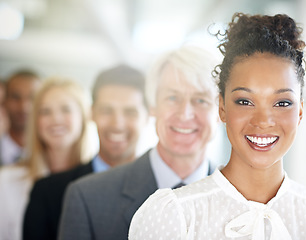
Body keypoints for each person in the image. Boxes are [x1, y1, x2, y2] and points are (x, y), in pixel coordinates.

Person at [129, 13, 306, 239]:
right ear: (222, 108)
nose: (263, 121)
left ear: (299, 112)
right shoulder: (175, 216)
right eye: (245, 101)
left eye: (282, 103)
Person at [58, 45, 219, 240]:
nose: (185, 114)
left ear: (221, 110)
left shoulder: (245, 201)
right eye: (172, 97)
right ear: (152, 106)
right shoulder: (88, 198)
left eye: (201, 100)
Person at [22, 64, 148, 240]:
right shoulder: (49, 192)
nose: (117, 123)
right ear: (91, 113)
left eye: (130, 112)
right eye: (106, 110)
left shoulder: (163, 192)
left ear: (148, 116)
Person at [0, 77, 91, 240]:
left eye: (66, 109)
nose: (56, 119)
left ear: (83, 117)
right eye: (45, 111)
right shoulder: (7, 181)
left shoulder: (97, 180)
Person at [0, 69, 41, 166]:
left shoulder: (53, 154)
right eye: (15, 97)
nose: (24, 107)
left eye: (33, 98)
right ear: (4, 101)